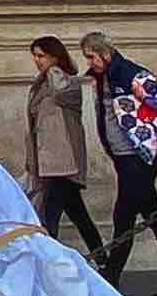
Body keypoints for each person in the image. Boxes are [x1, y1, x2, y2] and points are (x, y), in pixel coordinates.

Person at [82, 34, 157, 296]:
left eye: (90, 56)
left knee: (124, 217)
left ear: (104, 54)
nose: (89, 62)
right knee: (153, 216)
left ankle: (110, 281)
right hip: (123, 157)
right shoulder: (103, 78)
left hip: (138, 158)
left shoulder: (131, 75)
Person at [21, 35, 105, 259]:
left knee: (51, 215)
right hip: (50, 163)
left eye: (41, 56)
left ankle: (48, 261)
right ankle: (104, 257)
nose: (37, 60)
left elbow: (61, 92)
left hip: (64, 162)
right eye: (35, 56)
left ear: (54, 56)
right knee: (77, 214)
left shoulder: (65, 82)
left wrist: (54, 69)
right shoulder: (43, 85)